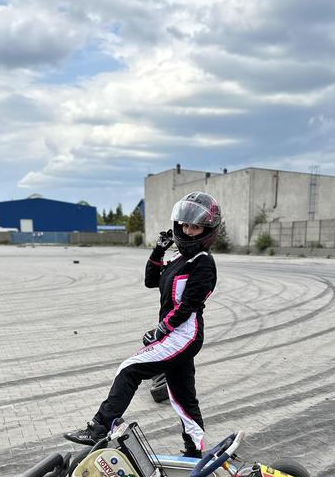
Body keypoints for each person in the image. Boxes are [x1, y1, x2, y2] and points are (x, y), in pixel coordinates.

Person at [65, 191, 221, 457]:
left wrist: (161, 331)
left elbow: (188, 306)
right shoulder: (181, 259)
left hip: (184, 334)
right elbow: (151, 280)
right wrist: (158, 249)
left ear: (206, 230)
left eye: (194, 226)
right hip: (176, 334)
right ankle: (195, 451)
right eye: (184, 225)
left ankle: (99, 427)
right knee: (183, 397)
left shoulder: (203, 263)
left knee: (130, 369)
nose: (187, 230)